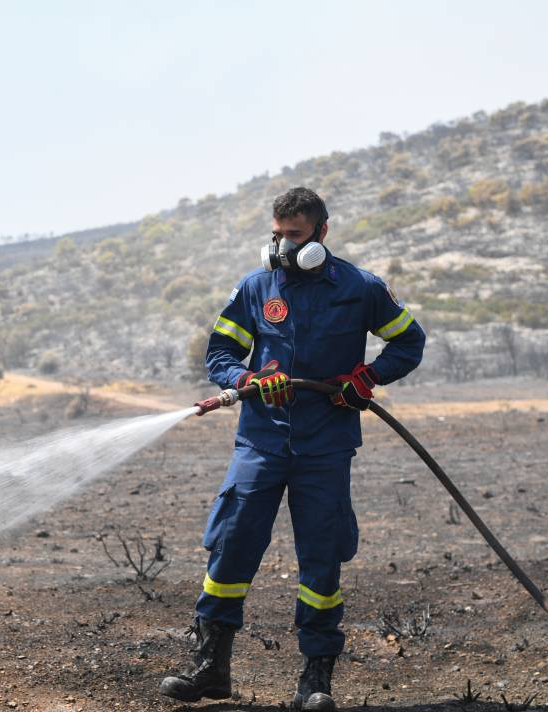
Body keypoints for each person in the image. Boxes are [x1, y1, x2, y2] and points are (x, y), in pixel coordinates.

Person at [159, 187, 425, 710]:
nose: (282, 248)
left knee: (321, 561)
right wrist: (246, 376)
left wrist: (367, 377)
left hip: (326, 444)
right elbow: (221, 351)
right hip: (260, 442)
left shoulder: (360, 288)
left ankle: (315, 682)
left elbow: (408, 341)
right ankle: (211, 669)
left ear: (321, 235)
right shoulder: (257, 288)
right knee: (231, 547)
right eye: (276, 236)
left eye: (294, 237)